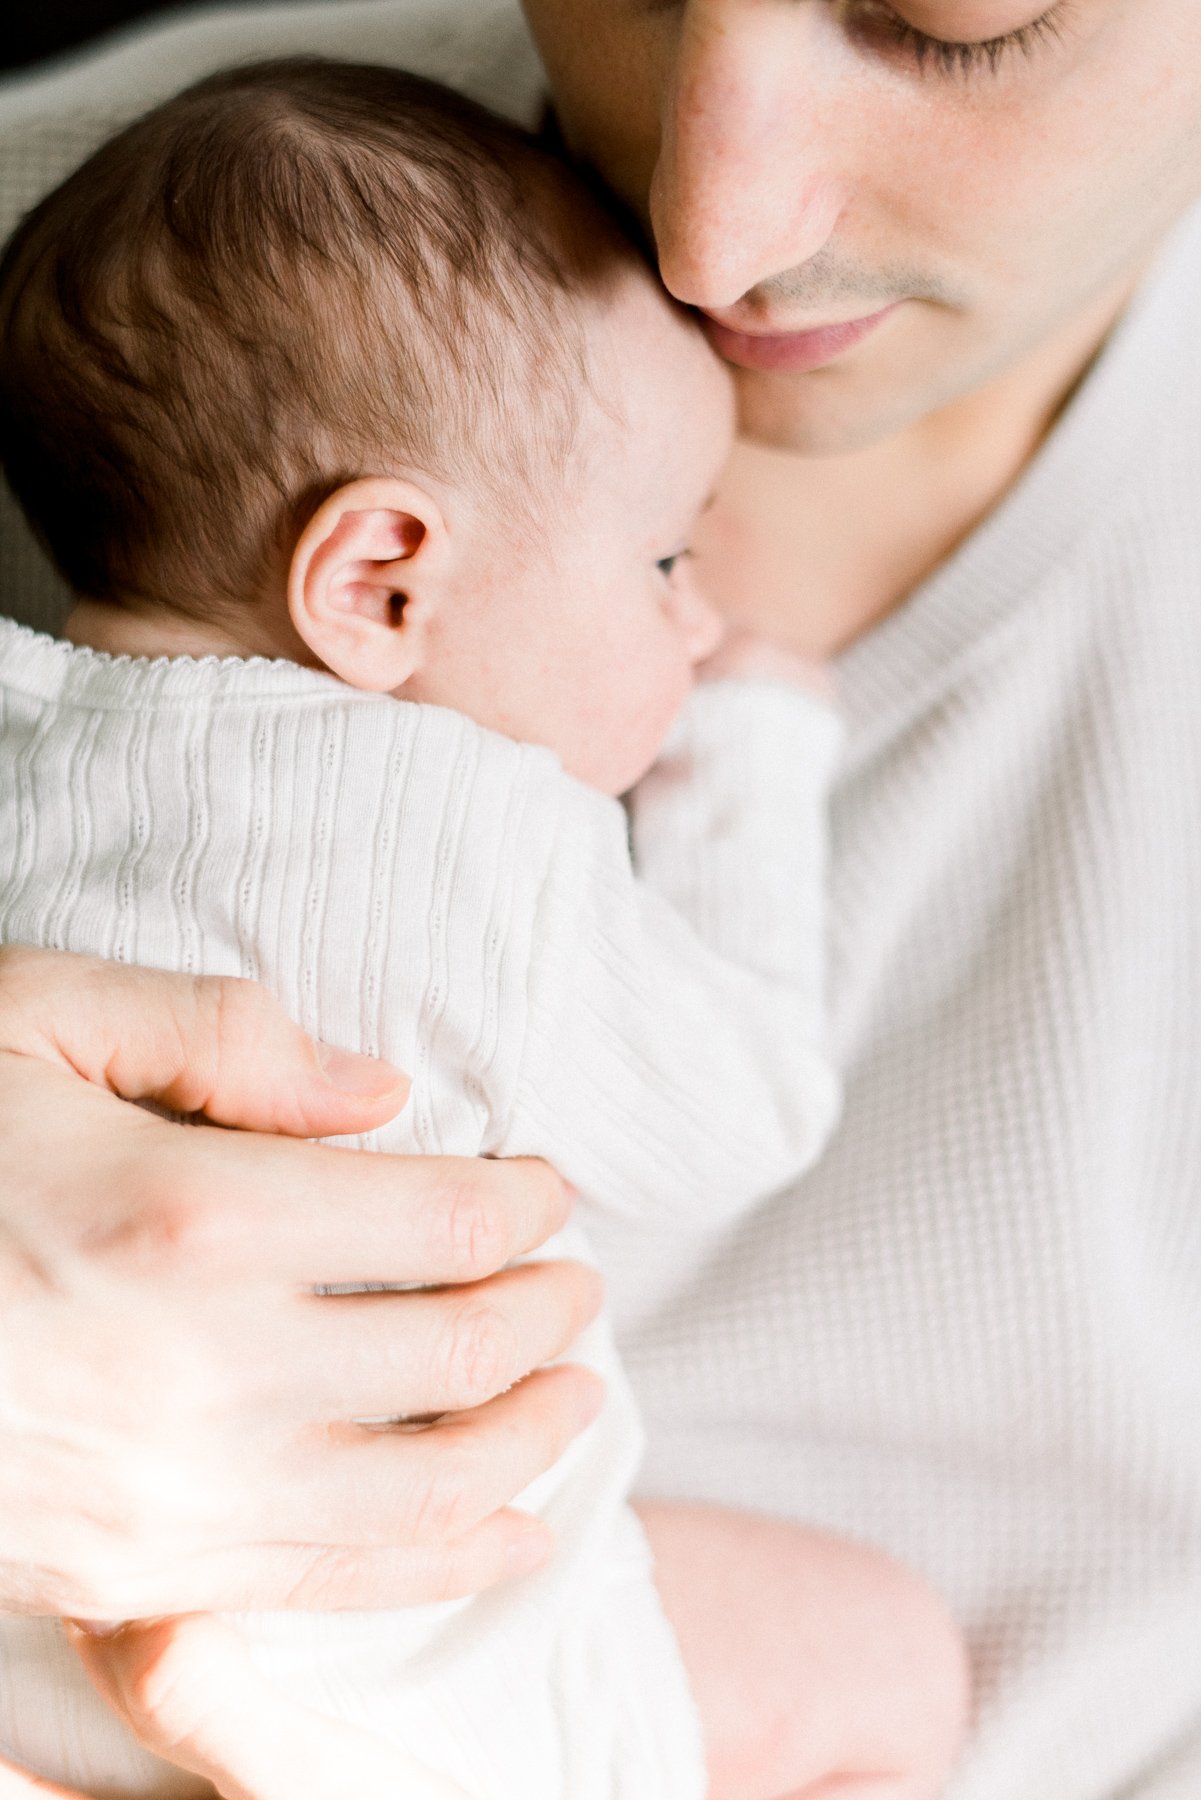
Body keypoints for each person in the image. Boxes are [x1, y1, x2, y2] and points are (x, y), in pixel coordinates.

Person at [0, 0, 1198, 1795]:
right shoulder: (476, 856)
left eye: (951, 18)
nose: (714, 231)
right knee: (864, 1664)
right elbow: (732, 1099)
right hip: (463, 1663)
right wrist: (748, 758)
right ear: (382, 582)